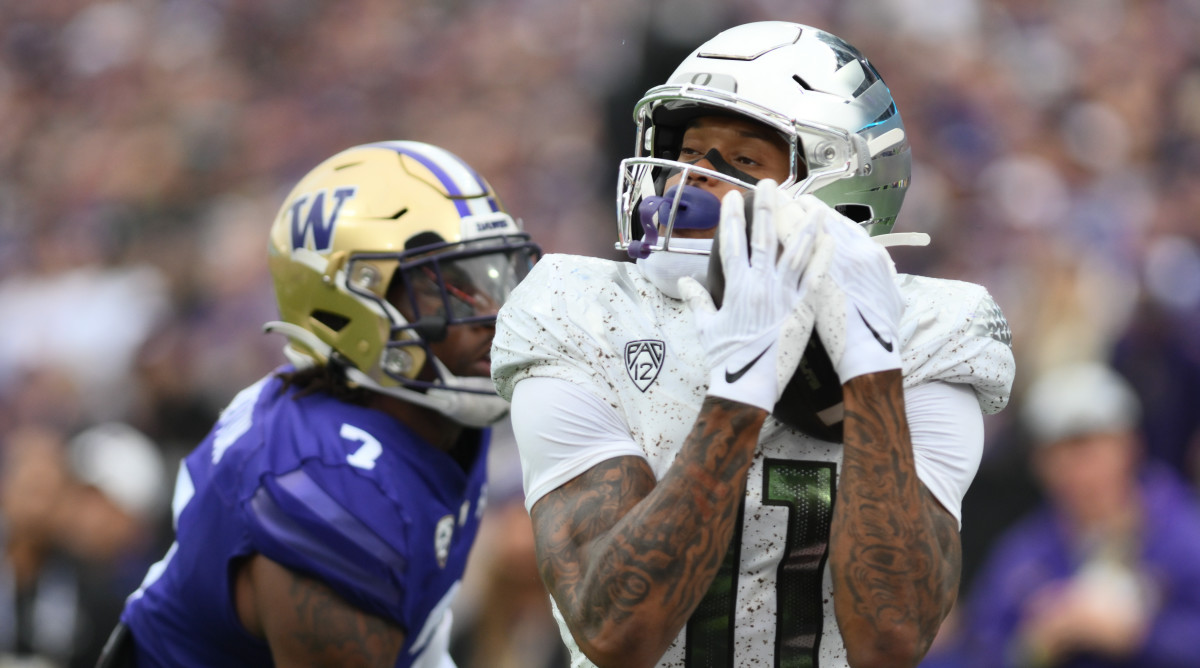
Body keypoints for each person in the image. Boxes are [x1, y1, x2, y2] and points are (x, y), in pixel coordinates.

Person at [490, 21, 1016, 668]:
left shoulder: (929, 331)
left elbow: (893, 638)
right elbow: (616, 633)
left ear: (844, 189)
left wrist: (872, 365)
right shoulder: (581, 312)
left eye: (741, 161)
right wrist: (739, 389)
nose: (691, 179)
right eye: (686, 152)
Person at [98, 140, 541, 667]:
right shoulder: (326, 480)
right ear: (349, 304)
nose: (494, 314)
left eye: (493, 277)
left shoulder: (429, 415)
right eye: (448, 287)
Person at [944, 362, 1200, 668]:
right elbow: (979, 650)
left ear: (1129, 445)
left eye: (1089, 447)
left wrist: (1140, 635)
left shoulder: (1186, 535)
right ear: (1038, 464)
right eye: (1058, 454)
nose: (1077, 470)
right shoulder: (1023, 557)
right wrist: (1036, 643)